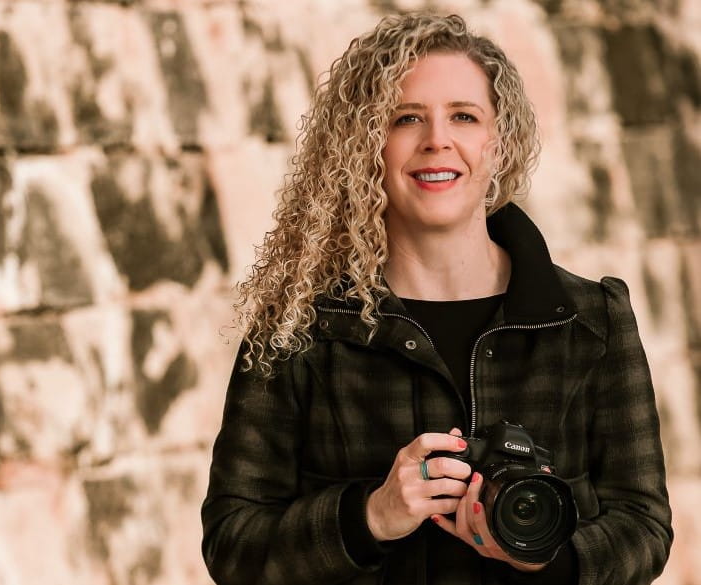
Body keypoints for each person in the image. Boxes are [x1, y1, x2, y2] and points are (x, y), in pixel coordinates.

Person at [201, 12, 672, 585]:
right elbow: (232, 544)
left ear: (498, 144)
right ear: (366, 146)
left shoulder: (591, 320)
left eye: (464, 116)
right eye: (406, 119)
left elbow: (645, 525)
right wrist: (370, 516)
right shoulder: (300, 328)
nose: (437, 140)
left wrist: (545, 558)